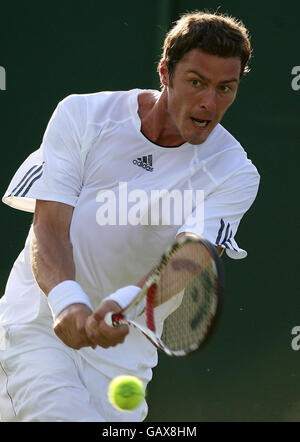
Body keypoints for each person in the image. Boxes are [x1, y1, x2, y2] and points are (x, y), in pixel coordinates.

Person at [0, 11, 260, 422]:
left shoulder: (234, 172)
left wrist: (125, 305)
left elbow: (192, 260)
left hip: (124, 351)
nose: (210, 103)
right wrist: (67, 302)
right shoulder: (83, 116)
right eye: (197, 82)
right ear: (165, 74)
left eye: (225, 88)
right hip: (39, 325)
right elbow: (49, 227)